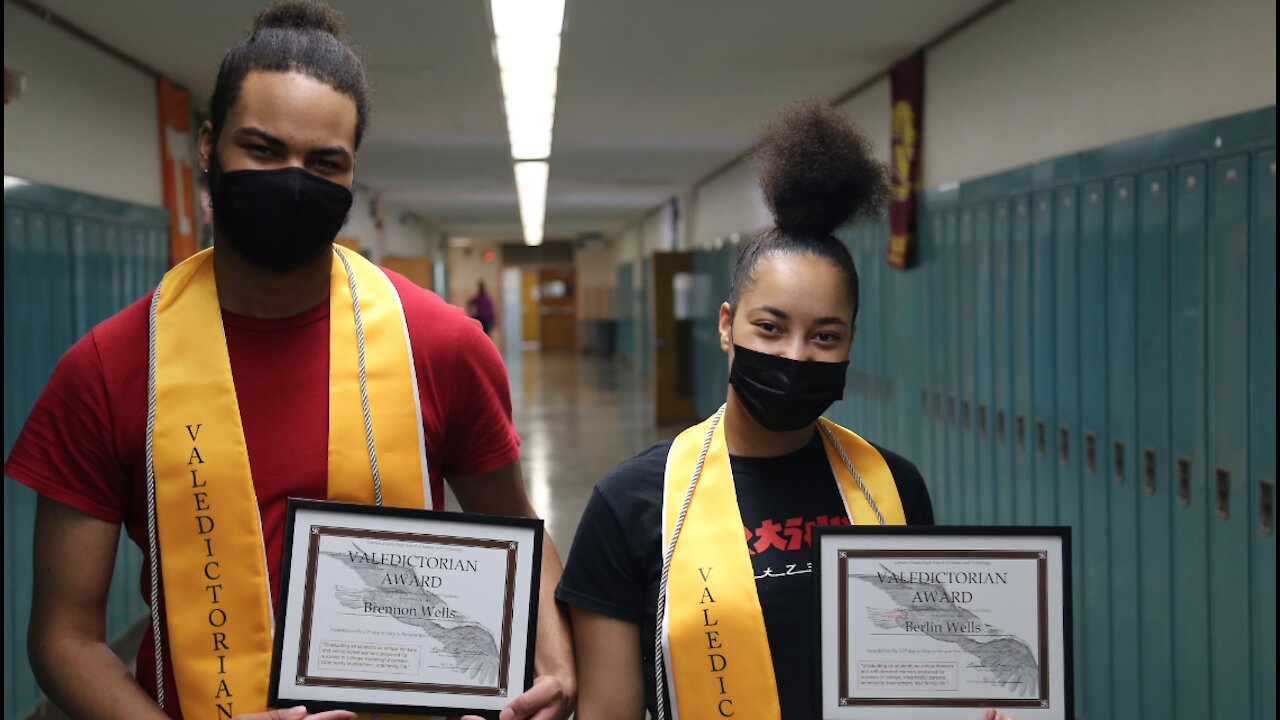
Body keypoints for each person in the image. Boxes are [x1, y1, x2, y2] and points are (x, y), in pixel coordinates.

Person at [3, 3, 573, 720]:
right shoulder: (109, 368)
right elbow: (64, 635)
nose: (292, 180)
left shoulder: (440, 345)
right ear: (208, 146)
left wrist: (553, 663)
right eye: (263, 149)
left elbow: (516, 525)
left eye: (324, 162)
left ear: (352, 174)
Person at [556, 102, 1018, 720]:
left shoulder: (892, 488)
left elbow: (923, 671)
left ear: (852, 339)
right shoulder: (636, 504)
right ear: (727, 326)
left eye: (825, 336)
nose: (795, 356)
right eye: (770, 328)